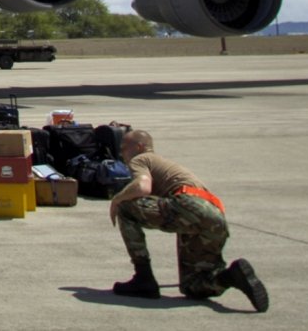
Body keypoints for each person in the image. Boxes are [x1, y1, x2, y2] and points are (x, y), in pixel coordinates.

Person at [108, 128, 268, 310]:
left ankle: (143, 277)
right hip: (215, 217)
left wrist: (117, 199)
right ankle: (231, 276)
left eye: (124, 148)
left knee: (126, 208)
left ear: (139, 147)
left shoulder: (141, 159)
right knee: (194, 286)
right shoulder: (166, 164)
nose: (121, 153)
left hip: (190, 206)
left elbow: (142, 187)